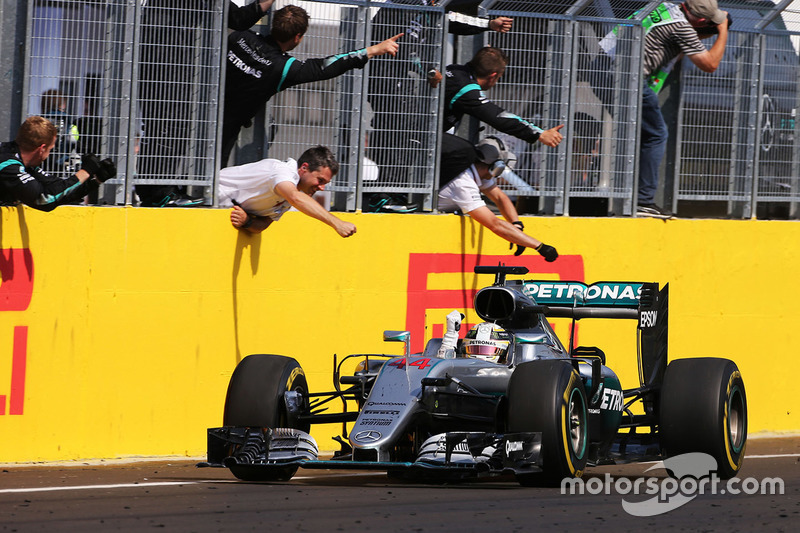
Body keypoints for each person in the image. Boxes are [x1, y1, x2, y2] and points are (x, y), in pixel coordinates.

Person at [222, 4, 403, 166]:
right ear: (298, 37)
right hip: (228, 125)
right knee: (213, 171)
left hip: (205, 111)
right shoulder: (283, 68)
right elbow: (326, 66)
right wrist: (372, 50)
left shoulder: (239, 36)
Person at [136, 0, 274, 207]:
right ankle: (159, 192)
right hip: (169, 65)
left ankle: (152, 189)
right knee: (172, 128)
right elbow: (239, 19)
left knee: (159, 126)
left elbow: (237, 18)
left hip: (155, 59)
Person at [598, 0, 729, 217]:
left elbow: (678, 41)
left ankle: (630, 196)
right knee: (657, 135)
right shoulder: (681, 28)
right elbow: (710, 64)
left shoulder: (663, 7)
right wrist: (723, 30)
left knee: (639, 132)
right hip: (629, 80)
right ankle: (643, 200)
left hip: (608, 69)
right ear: (702, 20)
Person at [366, 0, 513, 185]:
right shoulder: (410, 4)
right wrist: (429, 70)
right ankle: (388, 190)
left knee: (401, 133)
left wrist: (488, 24)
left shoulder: (430, 5)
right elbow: (401, 47)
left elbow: (450, 19)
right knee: (400, 132)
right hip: (386, 78)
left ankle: (391, 190)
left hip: (398, 78)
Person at [437, 133, 558, 261]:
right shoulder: (463, 183)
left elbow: (500, 198)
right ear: (496, 167)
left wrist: (516, 225)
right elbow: (495, 224)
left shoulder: (475, 172)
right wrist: (540, 247)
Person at [219, 145, 356, 237]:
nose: (321, 188)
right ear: (304, 168)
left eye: (325, 183)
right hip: (203, 200)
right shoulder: (281, 171)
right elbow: (295, 198)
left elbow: (263, 225)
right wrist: (337, 223)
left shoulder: (291, 192)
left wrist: (247, 221)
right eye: (320, 180)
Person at [441, 47, 564, 148]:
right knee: (465, 153)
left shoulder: (454, 70)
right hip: (425, 136)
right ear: (493, 76)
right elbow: (498, 116)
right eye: (499, 77)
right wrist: (539, 134)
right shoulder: (466, 89)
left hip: (427, 129)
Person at [0, 116, 116, 211]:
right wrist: (85, 171)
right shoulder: (7, 164)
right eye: (50, 149)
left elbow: (57, 192)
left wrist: (95, 180)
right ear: (42, 149)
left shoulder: (19, 159)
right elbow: (44, 199)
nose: (49, 154)